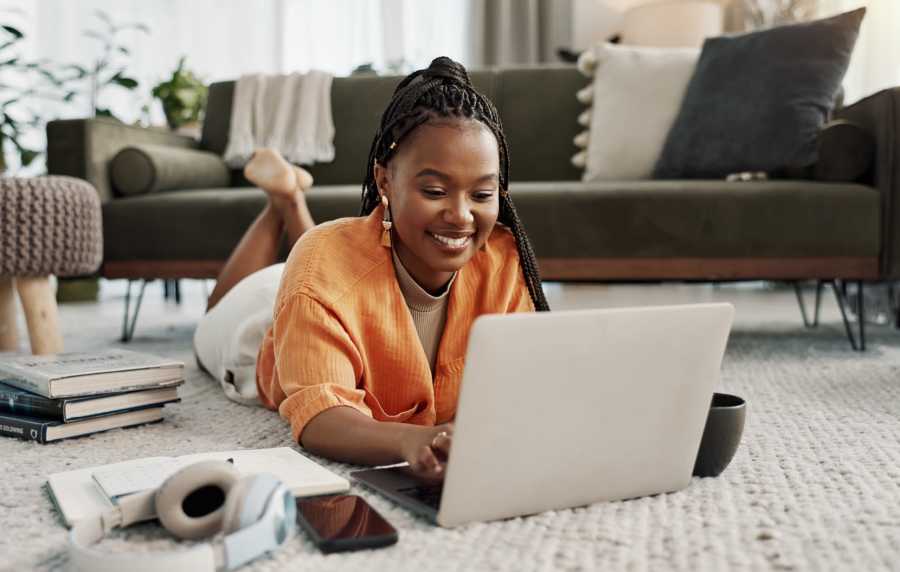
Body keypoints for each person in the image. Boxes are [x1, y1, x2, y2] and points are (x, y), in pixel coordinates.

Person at [194, 56, 549, 481]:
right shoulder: (319, 268)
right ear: (384, 182)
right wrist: (409, 439)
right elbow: (322, 415)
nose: (460, 215)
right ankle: (283, 203)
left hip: (325, 286)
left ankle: (289, 198)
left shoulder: (503, 259)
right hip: (254, 333)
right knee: (222, 307)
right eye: (435, 190)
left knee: (318, 260)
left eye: (482, 193)